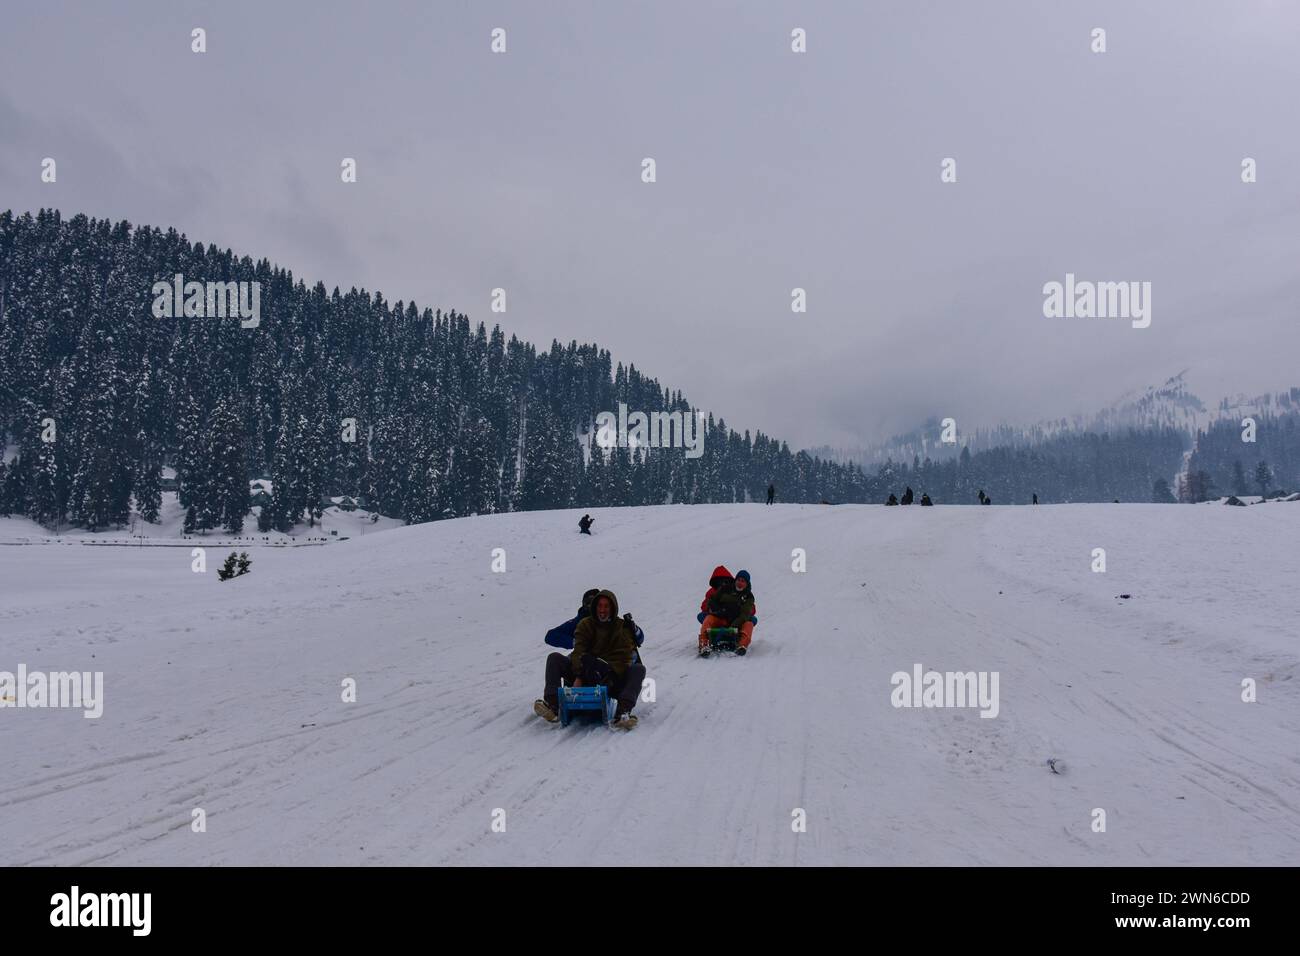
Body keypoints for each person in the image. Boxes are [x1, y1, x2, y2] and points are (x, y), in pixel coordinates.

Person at [536, 590, 644, 729]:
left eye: (606, 606)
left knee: (638, 669)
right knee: (554, 658)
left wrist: (609, 674)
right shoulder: (584, 624)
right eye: (599, 606)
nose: (602, 610)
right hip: (584, 670)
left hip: (609, 677)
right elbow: (578, 651)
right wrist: (580, 674)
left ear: (613, 608)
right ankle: (553, 706)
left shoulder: (622, 627)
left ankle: (622, 714)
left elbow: (623, 657)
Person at [698, 566, 756, 656]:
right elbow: (712, 600)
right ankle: (704, 645)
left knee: (749, 623)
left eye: (743, 581)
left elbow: (745, 614)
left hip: (736, 622)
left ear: (747, 584)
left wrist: (734, 626)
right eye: (739, 580)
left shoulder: (748, 596)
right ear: (735, 580)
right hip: (721, 618)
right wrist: (716, 609)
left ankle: (742, 646)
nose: (740, 583)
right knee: (708, 618)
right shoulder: (725, 588)